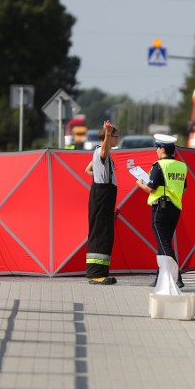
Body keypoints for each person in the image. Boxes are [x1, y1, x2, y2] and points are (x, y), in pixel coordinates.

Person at [136, 134, 187, 288]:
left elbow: (151, 188)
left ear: (163, 149)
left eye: (157, 147)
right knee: (163, 244)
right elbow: (183, 189)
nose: (156, 150)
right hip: (175, 209)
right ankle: (159, 278)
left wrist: (140, 183)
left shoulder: (159, 165)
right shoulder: (181, 166)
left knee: (164, 243)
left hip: (161, 208)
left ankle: (177, 276)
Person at [84, 120, 120, 285]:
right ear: (108, 137)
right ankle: (95, 274)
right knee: (100, 234)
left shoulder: (100, 153)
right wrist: (107, 132)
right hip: (102, 196)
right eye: (115, 136)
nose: (117, 139)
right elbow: (103, 152)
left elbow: (88, 169)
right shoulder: (101, 151)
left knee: (105, 235)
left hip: (104, 196)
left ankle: (101, 272)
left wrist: (98, 174)